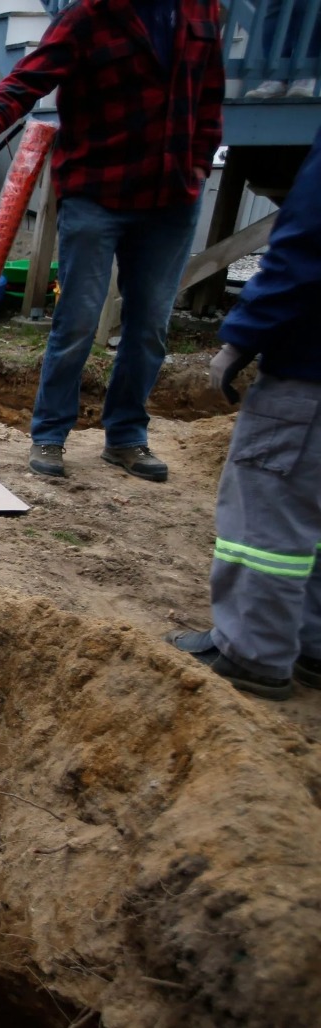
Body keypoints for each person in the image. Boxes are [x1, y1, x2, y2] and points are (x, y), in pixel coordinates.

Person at [0, 0, 224, 482]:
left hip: (172, 197)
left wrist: (199, 163)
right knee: (79, 318)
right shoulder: (91, 14)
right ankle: (51, 433)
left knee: (149, 325)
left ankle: (126, 437)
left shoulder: (202, 10)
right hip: (97, 192)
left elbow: (209, 96)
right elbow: (27, 80)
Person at [166, 125, 321, 702]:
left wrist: (243, 335)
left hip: (308, 371)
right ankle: (312, 646)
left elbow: (303, 245)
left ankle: (251, 651)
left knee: (266, 517)